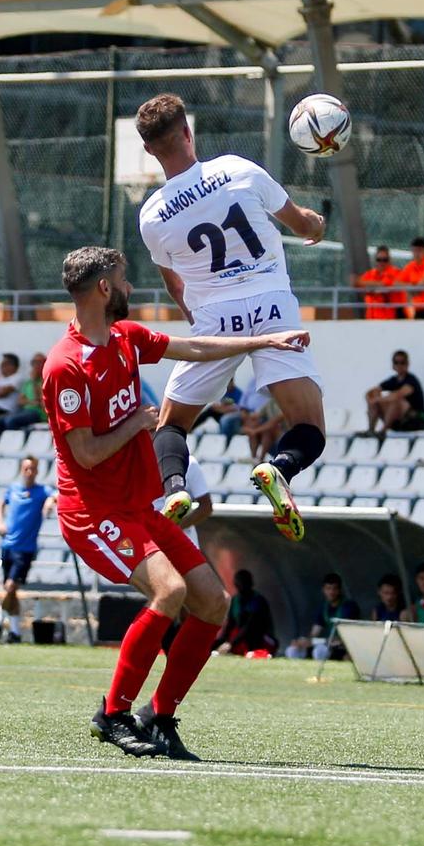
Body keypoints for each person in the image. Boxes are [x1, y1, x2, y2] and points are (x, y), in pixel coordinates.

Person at [41, 244, 309, 760]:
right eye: (123, 280)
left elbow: (196, 348)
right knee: (169, 591)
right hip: (93, 513)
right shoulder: (65, 367)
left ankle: (159, 716)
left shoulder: (126, 338)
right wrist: (139, 422)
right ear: (103, 289)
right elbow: (87, 455)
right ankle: (112, 714)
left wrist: (265, 340)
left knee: (212, 601)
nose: (130, 288)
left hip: (138, 506)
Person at [135, 94, 332, 542]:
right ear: (188, 131)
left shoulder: (151, 216)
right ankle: (278, 467)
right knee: (308, 427)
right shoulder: (238, 170)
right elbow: (301, 224)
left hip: (214, 320)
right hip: (274, 308)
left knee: (171, 426)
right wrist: (317, 225)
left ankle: (175, 490)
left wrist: (205, 334)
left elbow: (174, 284)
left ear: (149, 150)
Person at [0, 455, 53, 645]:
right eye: (26, 468)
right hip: (7, 546)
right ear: (21, 470)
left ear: (37, 471)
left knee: (10, 586)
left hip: (25, 549)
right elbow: (0, 504)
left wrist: (49, 504)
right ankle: (15, 632)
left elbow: (56, 496)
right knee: (11, 590)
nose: (29, 472)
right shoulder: (13, 489)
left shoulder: (42, 491)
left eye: (32, 469)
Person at [286, 573, 361, 661]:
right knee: (292, 650)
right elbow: (314, 632)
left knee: (320, 651)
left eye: (334, 589)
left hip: (344, 647)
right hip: (329, 644)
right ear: (323, 590)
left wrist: (314, 642)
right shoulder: (324, 608)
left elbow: (343, 638)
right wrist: (304, 642)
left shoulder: (349, 607)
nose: (331, 592)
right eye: (328, 588)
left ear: (340, 590)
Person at [364, 350, 424, 439]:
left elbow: (398, 395)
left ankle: (383, 431)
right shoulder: (393, 380)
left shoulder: (411, 380)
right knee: (375, 399)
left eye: (402, 362)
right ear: (393, 365)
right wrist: (372, 397)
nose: (399, 365)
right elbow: (372, 391)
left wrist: (377, 399)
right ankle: (371, 430)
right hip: (399, 422)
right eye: (396, 362)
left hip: (416, 420)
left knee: (396, 401)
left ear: (407, 364)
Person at [215, 568, 278, 655]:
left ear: (251, 584)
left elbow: (250, 625)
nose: (242, 586)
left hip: (260, 638)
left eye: (244, 583)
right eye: (239, 583)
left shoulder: (258, 600)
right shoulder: (235, 600)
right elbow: (230, 624)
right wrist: (219, 642)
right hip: (240, 639)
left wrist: (230, 644)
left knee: (251, 636)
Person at [355, 245, 404, 320]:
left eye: (385, 260)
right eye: (379, 259)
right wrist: (374, 286)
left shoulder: (396, 272)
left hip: (390, 318)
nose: (382, 262)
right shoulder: (370, 274)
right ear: (375, 260)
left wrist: (370, 286)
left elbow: (385, 284)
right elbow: (357, 283)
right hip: (371, 318)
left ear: (389, 260)